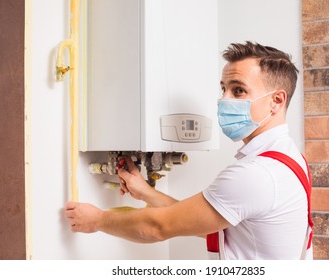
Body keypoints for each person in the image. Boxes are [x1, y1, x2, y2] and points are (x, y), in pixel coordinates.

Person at [65, 41, 313, 260]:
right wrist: (146, 193)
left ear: (276, 101)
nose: (223, 100)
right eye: (223, 89)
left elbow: (157, 227)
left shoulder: (256, 174)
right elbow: (208, 221)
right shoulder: (290, 159)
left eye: (238, 90)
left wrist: (96, 219)